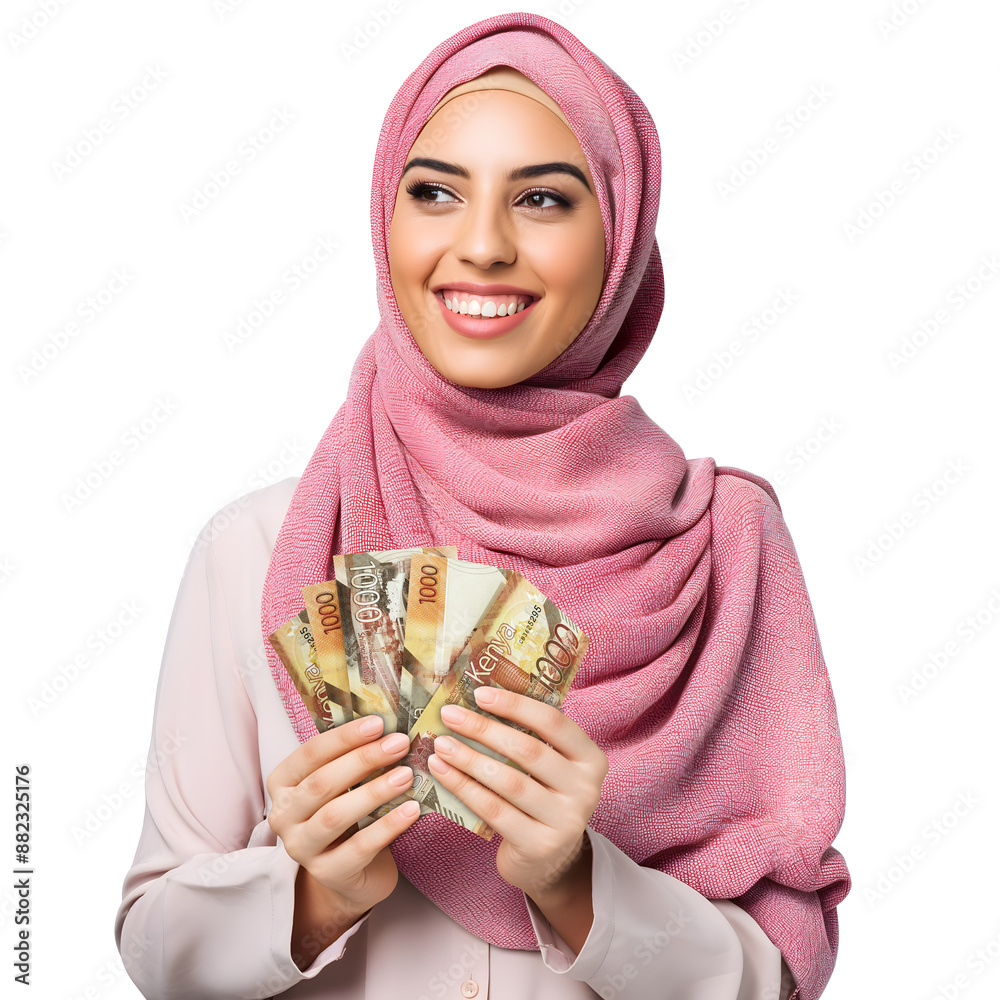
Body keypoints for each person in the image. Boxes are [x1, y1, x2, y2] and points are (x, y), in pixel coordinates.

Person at [115, 12, 850, 1000]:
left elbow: (778, 974)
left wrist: (582, 888)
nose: (482, 245)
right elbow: (154, 945)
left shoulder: (725, 547)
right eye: (434, 193)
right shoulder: (260, 547)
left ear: (622, 239)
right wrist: (313, 893)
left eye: (543, 198)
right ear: (386, 216)